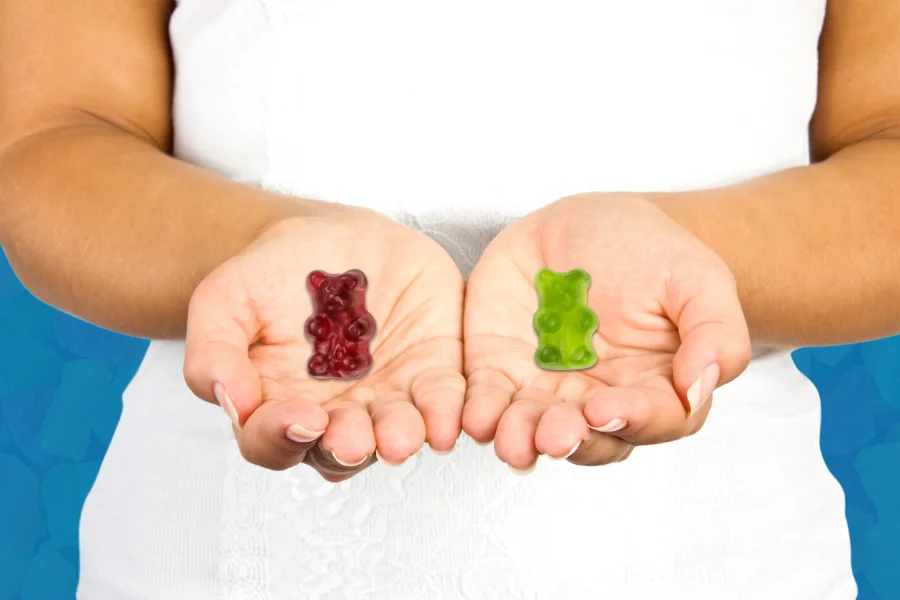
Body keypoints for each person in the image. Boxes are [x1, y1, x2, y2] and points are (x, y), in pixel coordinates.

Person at [0, 0, 897, 598]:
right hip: (212, 549)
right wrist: (259, 250)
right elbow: (51, 138)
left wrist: (691, 267)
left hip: (721, 553)